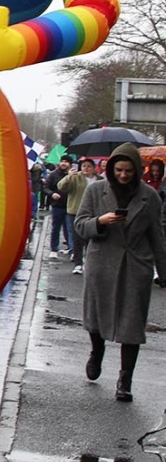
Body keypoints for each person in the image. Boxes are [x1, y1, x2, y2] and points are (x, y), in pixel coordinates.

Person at [74, 143, 166, 403]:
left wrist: (164, 272)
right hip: (101, 262)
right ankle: (97, 351)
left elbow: (157, 237)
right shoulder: (95, 191)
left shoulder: (150, 196)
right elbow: (80, 225)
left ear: (137, 170)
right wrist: (100, 222)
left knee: (132, 324)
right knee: (96, 316)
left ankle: (125, 381)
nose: (123, 175)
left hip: (136, 265)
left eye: (128, 171)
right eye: (119, 170)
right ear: (111, 169)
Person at [58, 160, 93, 274]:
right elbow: (61, 186)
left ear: (93, 167)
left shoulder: (99, 179)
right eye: (84, 166)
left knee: (90, 238)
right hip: (76, 211)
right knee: (77, 238)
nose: (86, 168)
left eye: (89, 166)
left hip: (93, 213)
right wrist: (68, 177)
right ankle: (78, 264)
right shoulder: (76, 177)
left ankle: (88, 261)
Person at [44, 158, 74, 258]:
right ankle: (53, 249)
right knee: (55, 228)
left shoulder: (74, 175)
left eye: (66, 162)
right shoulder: (53, 174)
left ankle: (72, 250)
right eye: (62, 161)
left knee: (69, 229)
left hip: (70, 206)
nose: (63, 164)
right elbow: (46, 187)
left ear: (70, 164)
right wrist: (52, 194)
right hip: (57, 206)